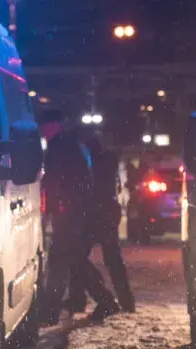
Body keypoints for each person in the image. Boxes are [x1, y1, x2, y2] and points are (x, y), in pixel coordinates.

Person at [40, 109, 120, 325]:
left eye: (45, 127)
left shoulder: (60, 147)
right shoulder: (69, 145)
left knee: (67, 259)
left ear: (53, 126)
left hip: (68, 213)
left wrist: (60, 208)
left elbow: (57, 181)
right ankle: (54, 309)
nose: (43, 131)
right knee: (70, 259)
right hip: (72, 211)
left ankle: (102, 301)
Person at [65, 133, 137, 314]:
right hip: (107, 213)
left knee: (78, 258)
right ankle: (125, 301)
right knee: (113, 260)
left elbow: (85, 188)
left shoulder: (90, 164)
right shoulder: (108, 161)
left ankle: (88, 299)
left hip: (94, 215)